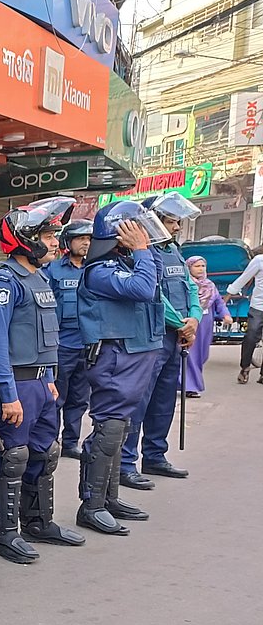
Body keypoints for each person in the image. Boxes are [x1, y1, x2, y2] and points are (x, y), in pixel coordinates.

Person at [0, 198, 86, 564]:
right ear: (26, 239)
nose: (55, 241)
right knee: (12, 457)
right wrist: (7, 395)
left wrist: (51, 378)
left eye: (55, 234)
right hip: (16, 385)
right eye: (48, 234)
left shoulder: (39, 277)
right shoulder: (4, 281)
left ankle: (38, 521)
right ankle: (4, 532)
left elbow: (46, 335)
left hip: (41, 384)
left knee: (45, 452)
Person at [74, 200, 171, 536]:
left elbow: (154, 279)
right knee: (110, 428)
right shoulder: (99, 271)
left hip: (135, 355)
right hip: (115, 359)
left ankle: (109, 498)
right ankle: (92, 505)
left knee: (122, 427)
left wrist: (147, 249)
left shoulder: (129, 261)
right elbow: (143, 289)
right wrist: (142, 250)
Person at [119, 192, 202, 490]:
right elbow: (155, 294)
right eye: (170, 221)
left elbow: (190, 288)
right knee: (139, 402)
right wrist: (182, 324)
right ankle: (125, 463)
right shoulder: (144, 254)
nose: (177, 227)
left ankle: (155, 455)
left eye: (177, 221)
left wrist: (194, 319)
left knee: (165, 400)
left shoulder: (174, 251)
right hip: (154, 336)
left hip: (177, 337)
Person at [46, 220, 93, 458]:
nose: (85, 243)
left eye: (88, 239)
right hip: (61, 346)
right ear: (68, 242)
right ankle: (51, 440)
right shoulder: (53, 270)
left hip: (87, 345)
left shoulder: (94, 269)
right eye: (80, 238)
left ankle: (70, 442)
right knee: (57, 397)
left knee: (79, 399)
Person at [183, 254, 232, 395]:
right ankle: (190, 386)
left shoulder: (210, 285)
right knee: (191, 354)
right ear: (189, 268)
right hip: (191, 322)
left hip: (205, 325)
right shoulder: (185, 283)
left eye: (203, 266)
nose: (200, 269)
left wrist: (226, 315)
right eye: (197, 266)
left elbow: (219, 303)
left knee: (202, 355)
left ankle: (188, 382)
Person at [227, 243, 263, 384]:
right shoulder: (259, 260)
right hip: (258, 306)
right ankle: (245, 367)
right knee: (251, 336)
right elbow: (244, 278)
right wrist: (229, 294)